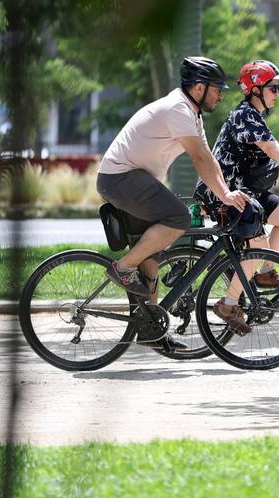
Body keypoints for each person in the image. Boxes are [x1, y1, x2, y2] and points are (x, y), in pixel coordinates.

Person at [97, 56, 250, 346]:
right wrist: (225, 196)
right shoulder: (178, 108)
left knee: (152, 257)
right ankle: (123, 268)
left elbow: (208, 158)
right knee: (178, 217)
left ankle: (150, 330)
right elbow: (198, 158)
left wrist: (226, 193)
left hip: (134, 179)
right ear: (197, 88)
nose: (221, 94)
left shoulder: (192, 113)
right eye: (217, 88)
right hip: (121, 178)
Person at [194, 59, 279, 335]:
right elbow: (273, 149)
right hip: (225, 194)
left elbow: (269, 153)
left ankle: (265, 272)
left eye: (278, 87)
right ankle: (229, 303)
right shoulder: (244, 115)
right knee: (258, 242)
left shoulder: (256, 115)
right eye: (274, 87)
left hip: (248, 192)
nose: (278, 93)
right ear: (256, 90)